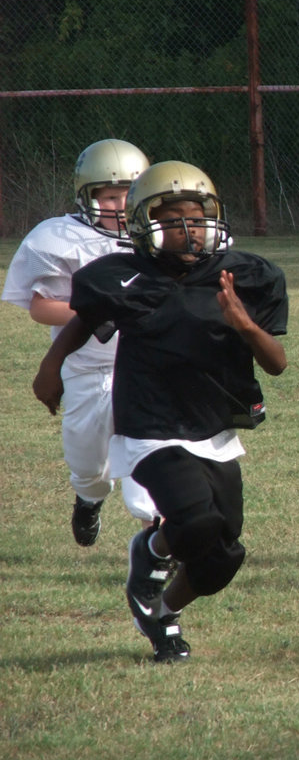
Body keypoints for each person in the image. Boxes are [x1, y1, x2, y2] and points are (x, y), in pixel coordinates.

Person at [33, 161, 289, 662]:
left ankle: (159, 610)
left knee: (221, 558)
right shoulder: (122, 275)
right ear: (144, 225)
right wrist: (52, 364)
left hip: (212, 424)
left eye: (196, 217)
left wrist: (243, 324)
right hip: (148, 423)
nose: (187, 230)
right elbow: (87, 319)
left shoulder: (248, 277)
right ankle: (153, 552)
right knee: (192, 521)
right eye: (172, 220)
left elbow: (276, 365)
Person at [2, 139, 159, 544]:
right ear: (87, 196)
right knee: (89, 466)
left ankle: (156, 546)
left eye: (129, 194)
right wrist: (99, 312)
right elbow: (41, 308)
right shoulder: (61, 237)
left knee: (151, 463)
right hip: (88, 367)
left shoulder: (162, 235)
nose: (120, 205)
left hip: (148, 366)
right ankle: (89, 498)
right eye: (109, 196)